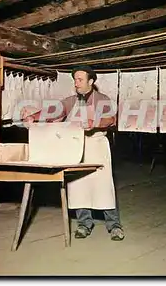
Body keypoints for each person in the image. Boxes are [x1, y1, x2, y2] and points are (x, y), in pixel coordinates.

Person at [22, 66, 125, 241]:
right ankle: (84, 224)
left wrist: (95, 122)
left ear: (91, 82)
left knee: (104, 187)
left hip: (97, 146)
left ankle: (114, 225)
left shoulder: (102, 100)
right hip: (76, 147)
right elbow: (52, 112)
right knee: (78, 186)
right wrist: (33, 116)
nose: (76, 83)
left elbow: (111, 120)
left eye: (80, 80)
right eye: (75, 80)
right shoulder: (71, 101)